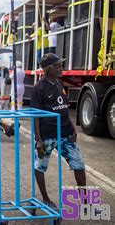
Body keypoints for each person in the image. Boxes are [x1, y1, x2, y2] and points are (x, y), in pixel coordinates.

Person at [31, 53, 86, 210]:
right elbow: (35, 115)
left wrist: (73, 129)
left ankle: (86, 202)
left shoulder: (59, 84)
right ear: (49, 69)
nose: (61, 68)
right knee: (40, 166)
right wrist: (39, 140)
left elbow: (64, 110)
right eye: (58, 66)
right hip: (47, 137)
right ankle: (46, 199)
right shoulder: (38, 88)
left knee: (79, 165)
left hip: (66, 135)